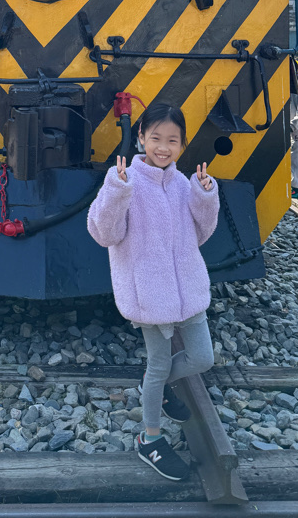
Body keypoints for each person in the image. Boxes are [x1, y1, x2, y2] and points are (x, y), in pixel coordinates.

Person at [87, 102, 219, 481]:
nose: (163, 147)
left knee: (202, 358)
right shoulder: (124, 180)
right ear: (141, 137)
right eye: (156, 137)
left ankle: (154, 387)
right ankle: (149, 437)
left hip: (188, 288)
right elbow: (104, 233)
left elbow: (201, 234)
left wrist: (204, 196)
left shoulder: (182, 184)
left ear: (182, 144)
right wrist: (116, 190)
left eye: (172, 140)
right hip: (149, 295)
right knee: (159, 365)